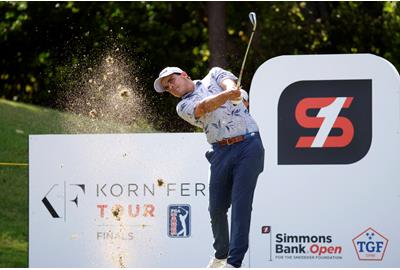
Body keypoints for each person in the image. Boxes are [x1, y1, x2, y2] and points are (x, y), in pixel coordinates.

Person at [154, 67, 265, 268]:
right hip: (220, 152)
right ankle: (221, 254)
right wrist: (228, 95)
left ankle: (234, 261)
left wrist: (234, 92)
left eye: (172, 80)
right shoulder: (183, 107)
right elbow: (204, 107)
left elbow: (228, 82)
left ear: (184, 74)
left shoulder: (213, 74)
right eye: (167, 87)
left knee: (241, 205)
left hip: (249, 145)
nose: (171, 86)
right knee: (216, 208)